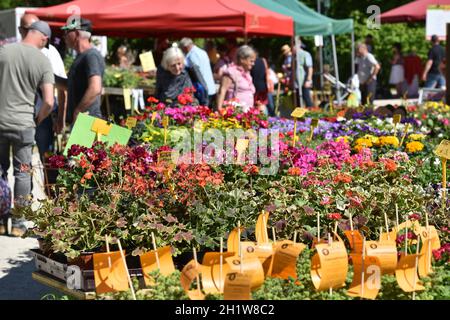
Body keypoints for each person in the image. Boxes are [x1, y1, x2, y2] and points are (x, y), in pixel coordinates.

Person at [0, 20, 54, 234]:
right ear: (43, 38)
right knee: (23, 172)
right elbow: (49, 101)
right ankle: (20, 223)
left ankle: (1, 219)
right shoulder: (42, 61)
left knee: (1, 170)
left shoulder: (4, 51)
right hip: (24, 126)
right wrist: (37, 120)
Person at [19, 13, 67, 161]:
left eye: (35, 29)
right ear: (20, 29)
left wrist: (61, 119)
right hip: (20, 116)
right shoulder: (13, 51)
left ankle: (47, 183)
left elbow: (62, 88)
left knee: (47, 160)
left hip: (44, 115)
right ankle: (26, 184)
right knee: (23, 164)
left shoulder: (50, 52)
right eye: (28, 29)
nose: (31, 33)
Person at [56, 18, 105, 125]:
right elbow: (70, 85)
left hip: (88, 120)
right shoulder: (81, 56)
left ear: (77, 33)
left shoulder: (91, 56)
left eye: (66, 32)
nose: (64, 37)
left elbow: (95, 88)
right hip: (82, 120)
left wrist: (79, 111)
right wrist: (47, 76)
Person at [216, 45, 256, 112]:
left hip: (246, 114)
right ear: (242, 59)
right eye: (251, 61)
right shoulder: (231, 72)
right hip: (234, 113)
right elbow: (222, 91)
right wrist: (219, 110)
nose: (253, 64)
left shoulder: (247, 74)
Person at [179, 38, 216, 106]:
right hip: (210, 88)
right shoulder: (202, 51)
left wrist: (204, 89)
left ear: (185, 47)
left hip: (203, 90)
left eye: (182, 48)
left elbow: (197, 74)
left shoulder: (193, 55)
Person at [296, 38, 314, 107]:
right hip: (297, 83)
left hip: (304, 82)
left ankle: (311, 116)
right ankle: (300, 117)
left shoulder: (305, 54)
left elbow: (310, 68)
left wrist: (308, 80)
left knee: (307, 100)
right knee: (298, 102)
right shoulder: (294, 55)